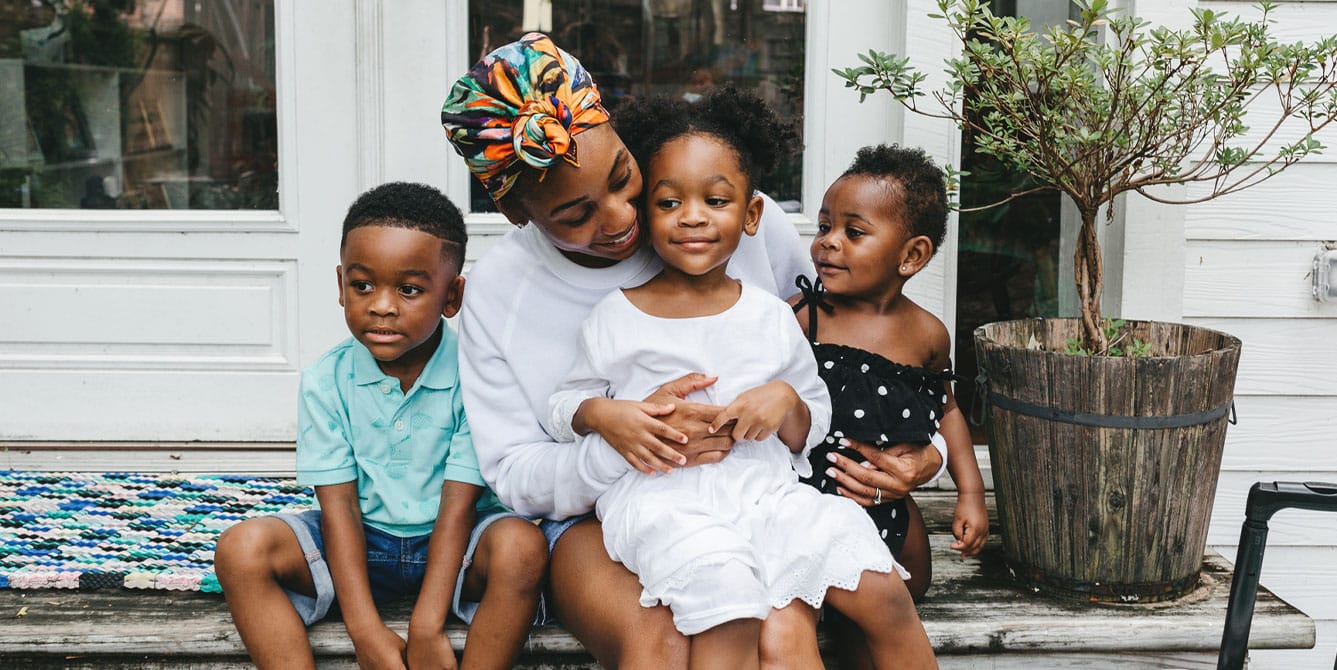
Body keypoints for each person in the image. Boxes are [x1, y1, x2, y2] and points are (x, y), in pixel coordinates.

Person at [441, 33, 944, 668]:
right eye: (576, 215)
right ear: (517, 213)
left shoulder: (728, 220)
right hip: (600, 514)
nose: (624, 217)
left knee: (825, 611)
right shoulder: (501, 293)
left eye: (625, 177)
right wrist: (621, 444)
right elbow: (514, 473)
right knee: (669, 638)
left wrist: (931, 452)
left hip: (761, 490)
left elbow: (850, 352)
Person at [214, 182, 548, 670]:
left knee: (523, 547)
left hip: (461, 550)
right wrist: (366, 630)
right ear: (339, 284)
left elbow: (458, 507)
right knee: (240, 550)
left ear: (453, 295)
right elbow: (340, 509)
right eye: (362, 285)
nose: (382, 306)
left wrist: (426, 626)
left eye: (409, 289)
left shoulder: (478, 375)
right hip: (358, 545)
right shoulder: (327, 380)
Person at [792, 144, 989, 663]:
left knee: (893, 611)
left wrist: (971, 493)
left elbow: (947, 411)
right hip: (810, 508)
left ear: (911, 255)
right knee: (835, 624)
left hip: (890, 513)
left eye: (853, 233)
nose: (828, 243)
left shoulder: (926, 334)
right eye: (823, 226)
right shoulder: (804, 318)